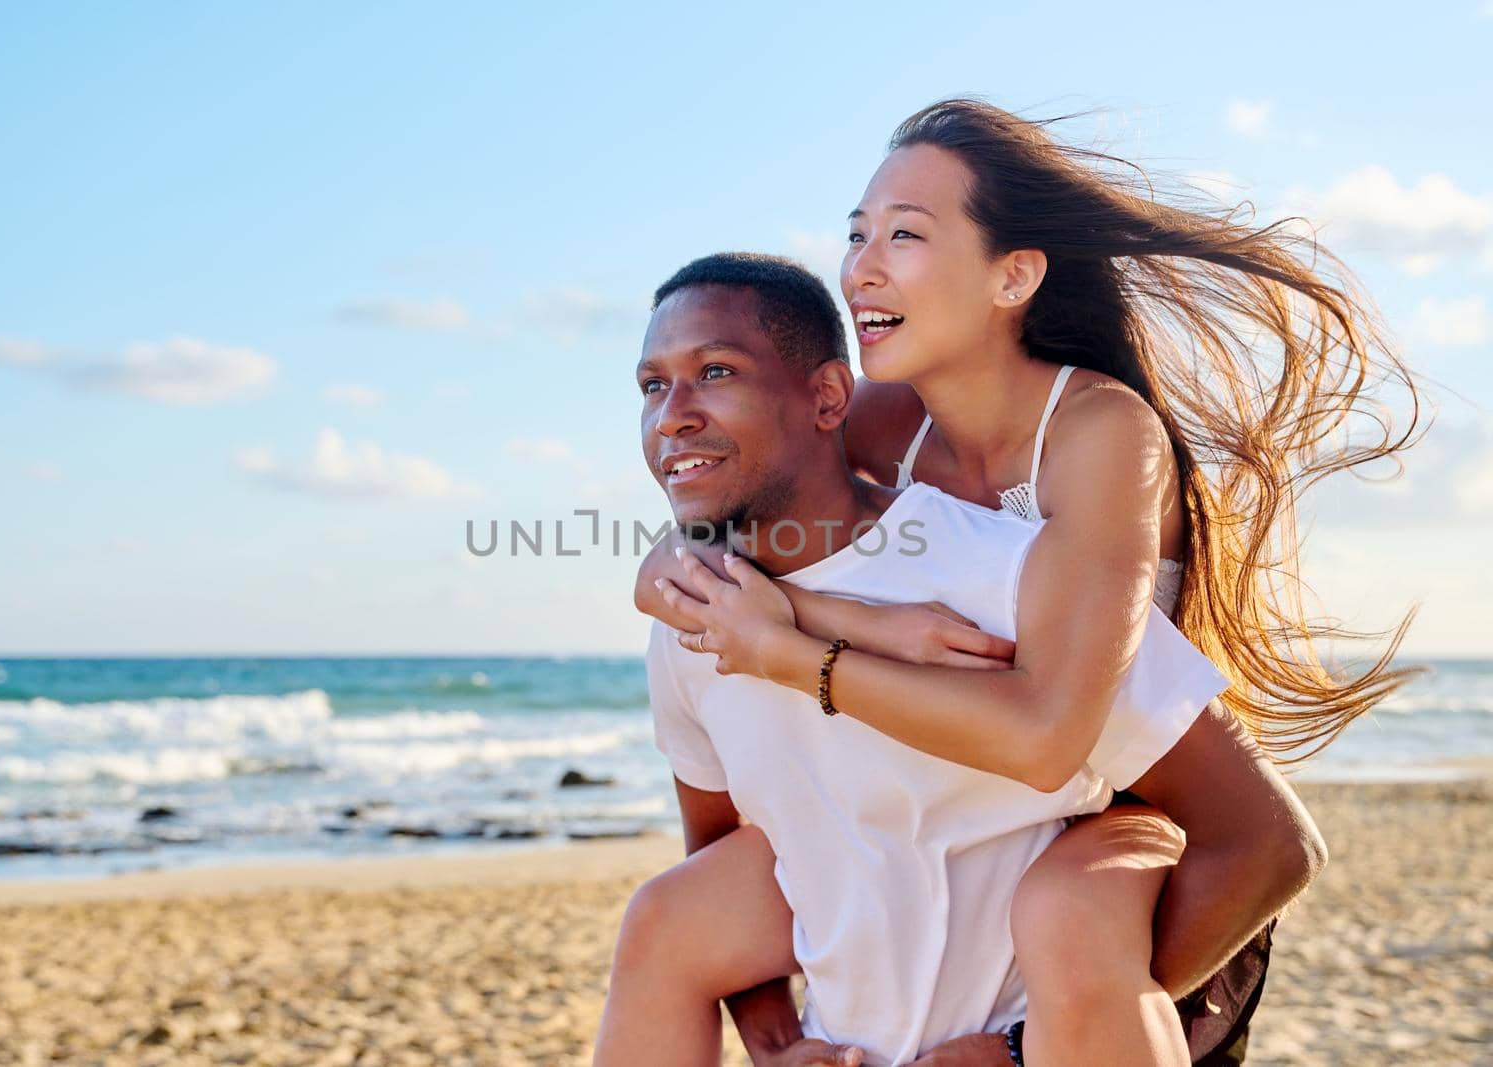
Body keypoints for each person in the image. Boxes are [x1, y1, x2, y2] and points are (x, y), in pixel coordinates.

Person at [603, 100, 1421, 1067]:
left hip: (1124, 811)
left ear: (1014, 273)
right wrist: (852, 619)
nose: (862, 264)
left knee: (1067, 914)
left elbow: (1048, 735)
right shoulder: (876, 416)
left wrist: (793, 650)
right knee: (667, 918)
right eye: (857, 234)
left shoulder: (1099, 436)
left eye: (905, 234)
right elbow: (730, 490)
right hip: (966, 788)